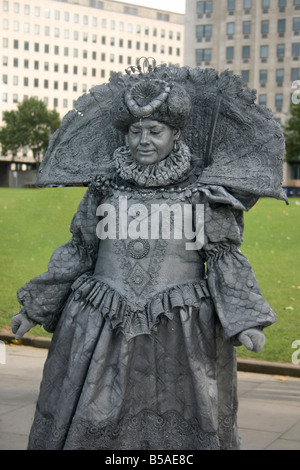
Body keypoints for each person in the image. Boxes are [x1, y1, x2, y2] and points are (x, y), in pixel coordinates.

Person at [11, 64, 284, 450]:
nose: (143, 140)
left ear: (176, 133)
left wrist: (246, 321)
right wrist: (34, 310)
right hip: (100, 325)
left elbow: (224, 258)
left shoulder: (205, 195)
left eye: (155, 131)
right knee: (98, 417)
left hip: (180, 330)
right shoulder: (103, 189)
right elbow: (80, 250)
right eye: (135, 131)